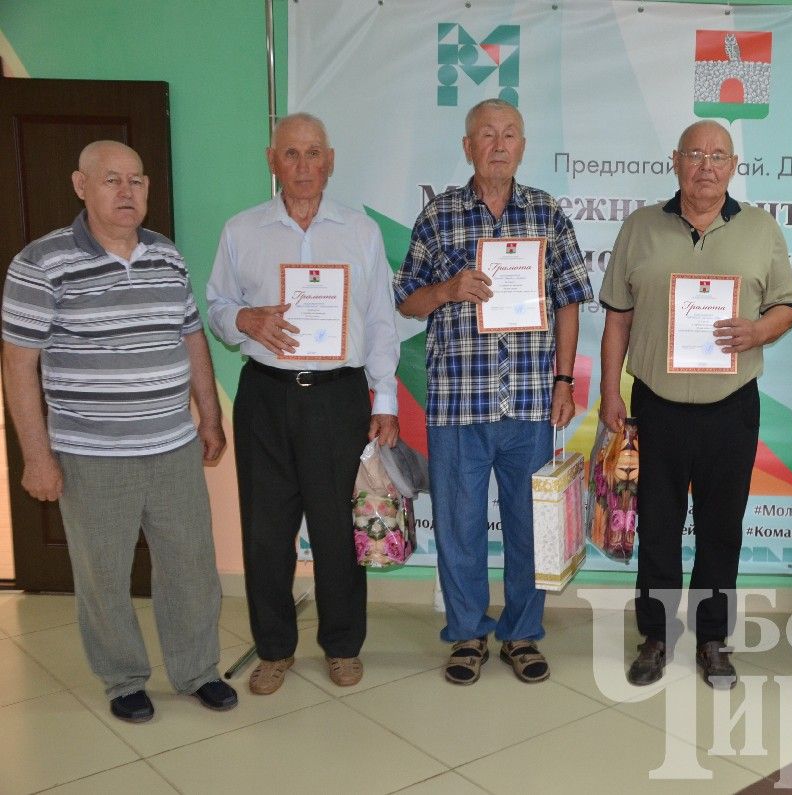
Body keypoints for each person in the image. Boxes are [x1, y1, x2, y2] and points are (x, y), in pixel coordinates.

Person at [2, 141, 237, 722]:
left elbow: (191, 339)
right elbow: (18, 363)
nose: (127, 192)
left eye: (137, 181)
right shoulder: (42, 262)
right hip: (90, 455)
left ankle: (196, 670)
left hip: (172, 446)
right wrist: (37, 456)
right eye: (112, 180)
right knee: (102, 574)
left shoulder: (167, 256)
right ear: (81, 186)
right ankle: (123, 678)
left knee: (191, 567)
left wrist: (209, 414)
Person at [394, 99, 592, 685]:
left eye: (509, 134)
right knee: (457, 523)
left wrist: (564, 379)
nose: (498, 144)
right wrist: (449, 289)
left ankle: (523, 633)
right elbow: (407, 299)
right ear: (467, 147)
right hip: (458, 402)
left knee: (530, 524)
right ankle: (466, 634)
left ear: (523, 145)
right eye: (486, 135)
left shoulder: (547, 214)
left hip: (530, 400)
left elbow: (570, 300)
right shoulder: (439, 216)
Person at [599, 120, 792, 689]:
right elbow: (617, 317)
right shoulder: (640, 227)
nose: (706, 165)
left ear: (733, 166)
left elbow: (787, 305)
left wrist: (758, 331)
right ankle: (656, 637)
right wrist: (610, 391)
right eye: (695, 154)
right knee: (656, 528)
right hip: (655, 403)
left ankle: (714, 639)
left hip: (731, 405)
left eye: (718, 155)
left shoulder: (761, 229)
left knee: (721, 529)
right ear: (675, 161)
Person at [207, 113, 401, 694]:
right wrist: (241, 319)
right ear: (272, 160)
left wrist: (384, 395)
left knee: (340, 530)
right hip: (266, 396)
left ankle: (341, 646)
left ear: (330, 160)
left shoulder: (360, 231)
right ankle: (273, 649)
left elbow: (379, 319)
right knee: (267, 532)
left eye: (313, 153)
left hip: (338, 396)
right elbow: (216, 305)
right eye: (290, 154)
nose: (303, 167)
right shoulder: (242, 230)